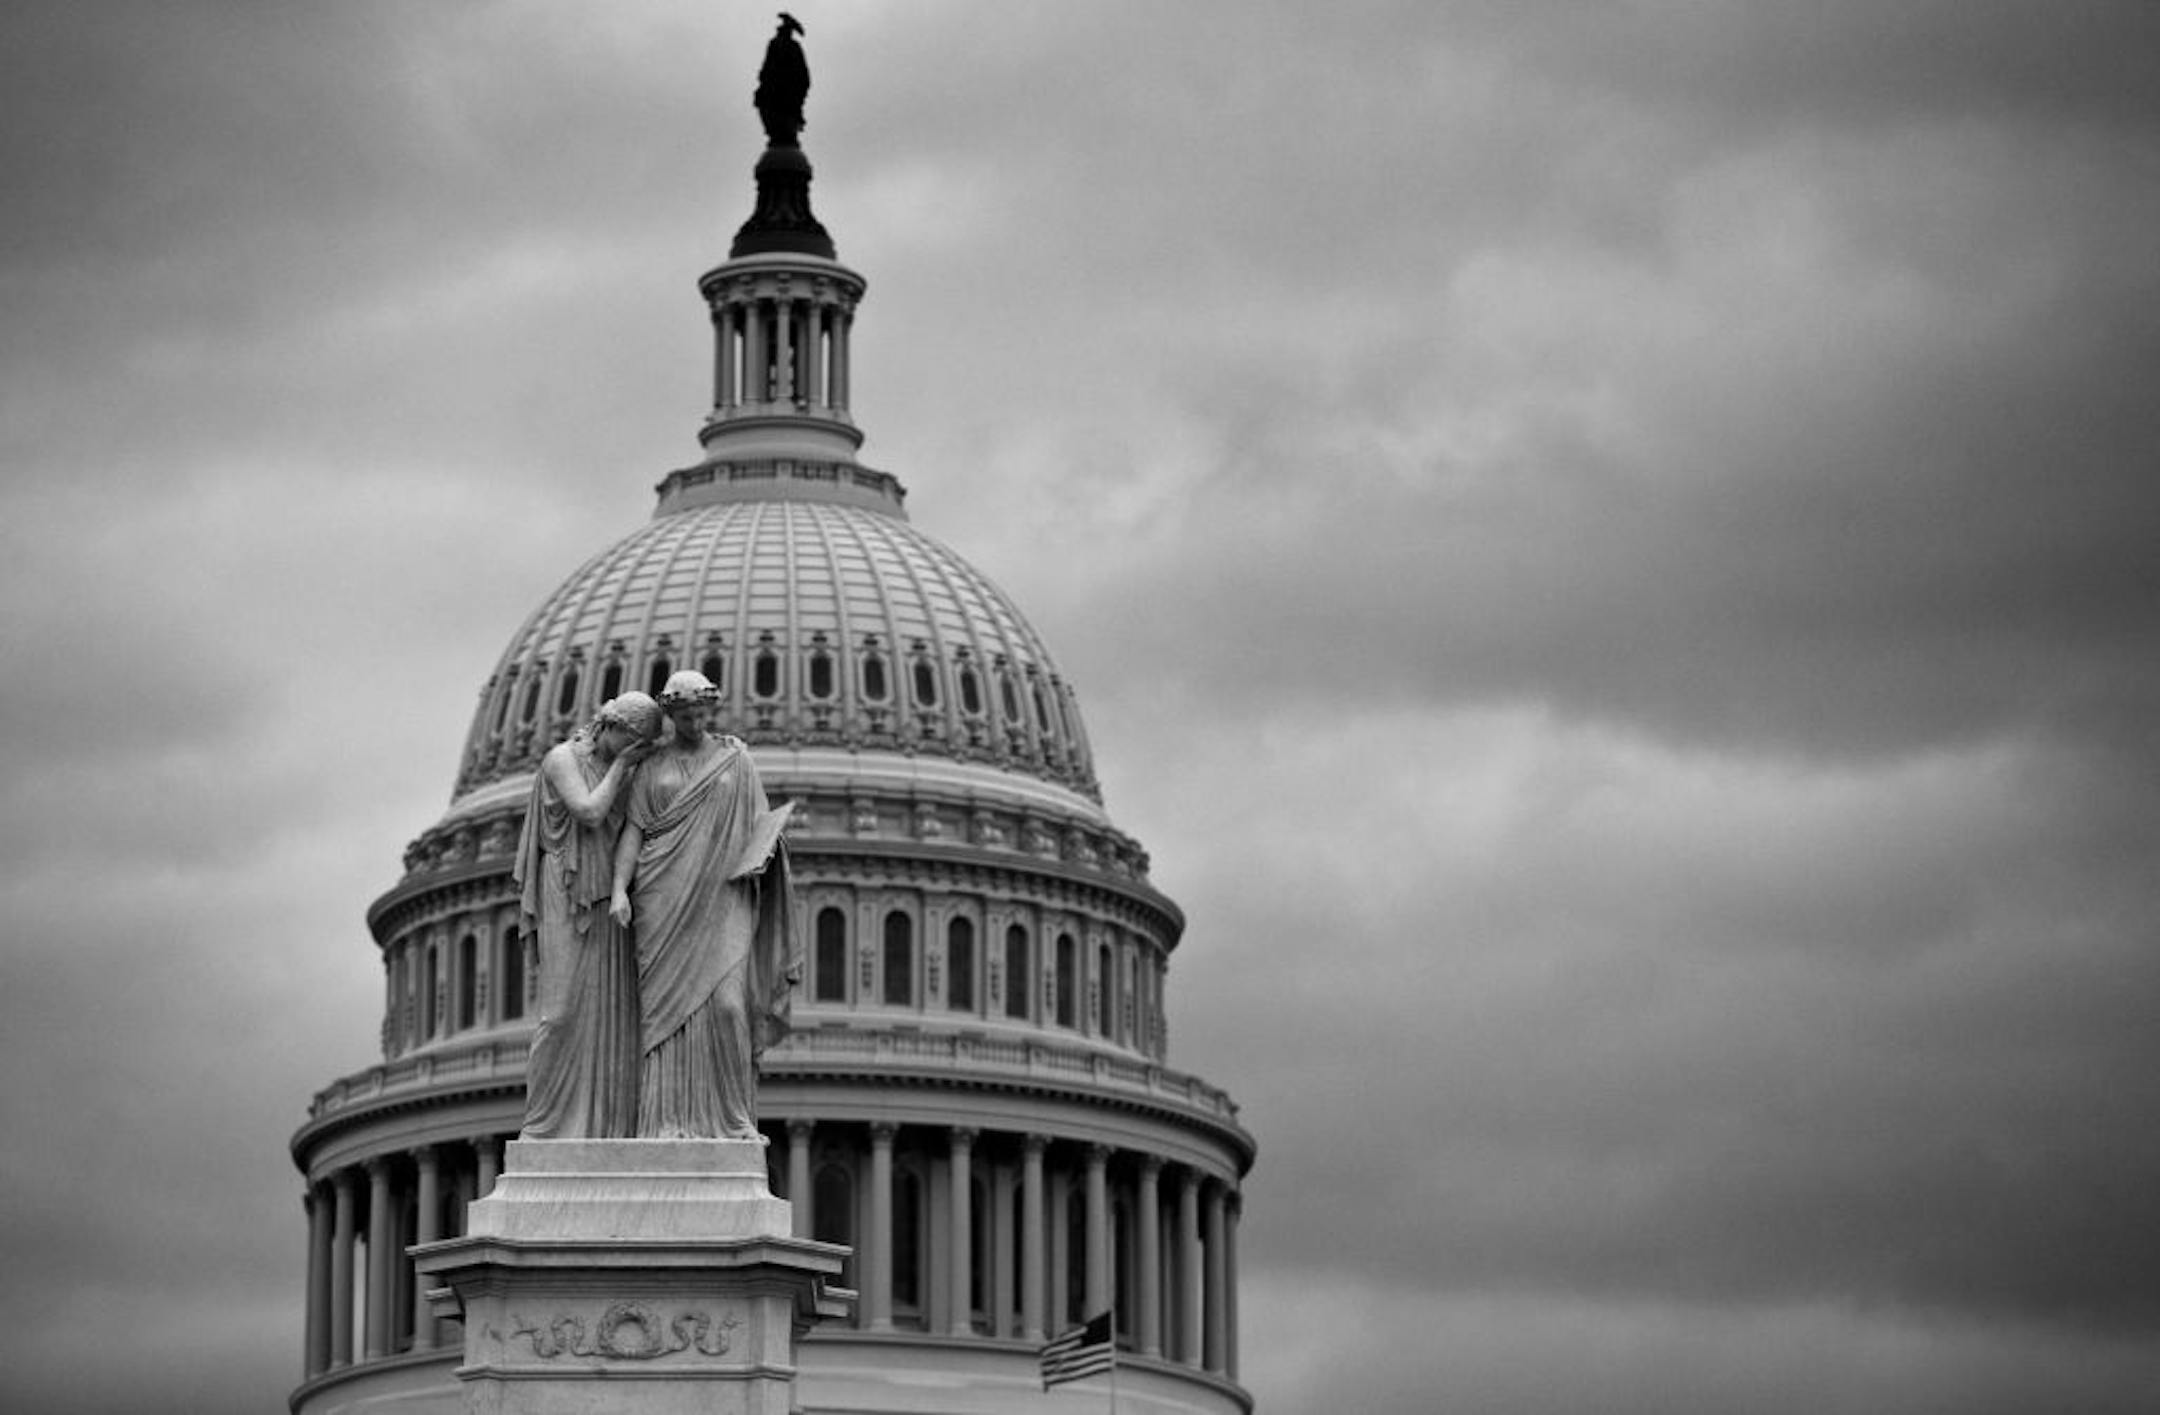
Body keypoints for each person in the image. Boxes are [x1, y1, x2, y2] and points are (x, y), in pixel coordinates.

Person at [611, 671, 800, 1139]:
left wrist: (766, 854)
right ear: (670, 716)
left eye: (701, 714)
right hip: (661, 898)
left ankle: (733, 1121)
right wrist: (618, 889)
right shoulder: (651, 767)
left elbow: (760, 825)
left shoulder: (737, 761)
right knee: (663, 1020)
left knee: (729, 1008)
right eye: (685, 716)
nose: (695, 723)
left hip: (724, 895)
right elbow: (634, 830)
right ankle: (665, 1121)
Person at [514, 693, 662, 1140]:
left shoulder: (632, 769)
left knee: (612, 1019)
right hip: (565, 886)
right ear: (610, 727)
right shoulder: (562, 759)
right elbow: (590, 812)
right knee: (559, 1015)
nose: (634, 752)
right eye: (632, 741)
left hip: (611, 896)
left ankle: (606, 1130)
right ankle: (544, 1128)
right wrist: (623, 766)